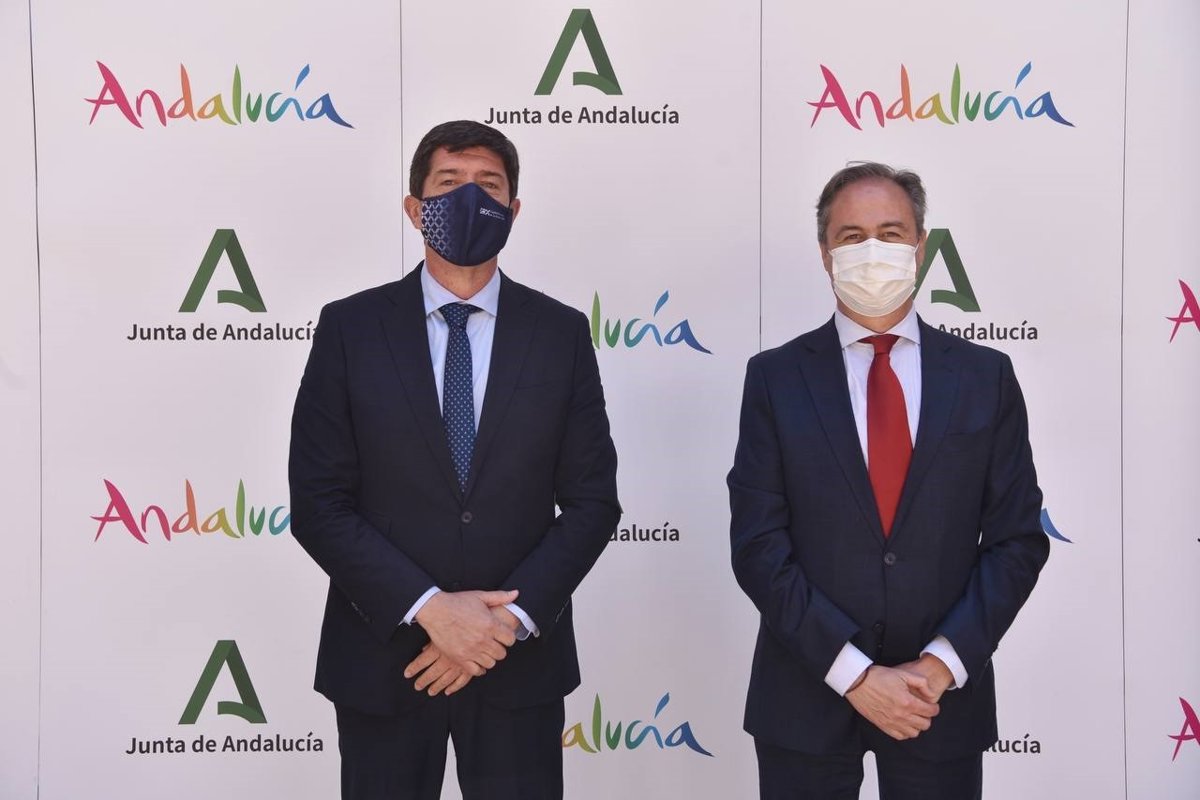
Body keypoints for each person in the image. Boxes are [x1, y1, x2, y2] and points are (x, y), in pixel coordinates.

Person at [289, 120, 620, 800]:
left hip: (516, 665)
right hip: (385, 662)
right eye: (448, 183)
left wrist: (501, 626)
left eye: (488, 186)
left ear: (513, 210)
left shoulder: (559, 333)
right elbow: (319, 503)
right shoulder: (351, 328)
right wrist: (430, 610)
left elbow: (592, 503)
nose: (470, 199)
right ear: (414, 209)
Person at [727, 162, 1050, 799]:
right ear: (825, 255)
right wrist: (853, 673)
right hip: (806, 698)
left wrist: (939, 666)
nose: (871, 250)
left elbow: (1016, 540)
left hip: (938, 702)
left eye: (891, 233)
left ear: (920, 247)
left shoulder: (984, 377)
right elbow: (759, 546)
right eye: (851, 237)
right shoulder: (775, 378)